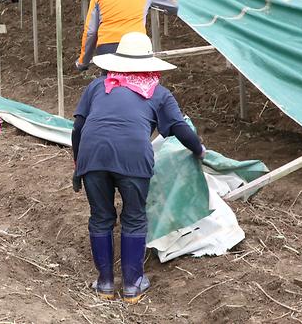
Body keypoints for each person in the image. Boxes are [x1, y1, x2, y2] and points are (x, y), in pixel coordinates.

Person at [72, 32, 205, 303]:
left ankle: (105, 283)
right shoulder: (158, 92)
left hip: (92, 154)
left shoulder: (98, 86)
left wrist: (79, 163)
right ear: (149, 63)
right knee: (133, 217)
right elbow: (179, 127)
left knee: (101, 217)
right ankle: (132, 285)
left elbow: (78, 128)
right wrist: (199, 149)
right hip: (133, 158)